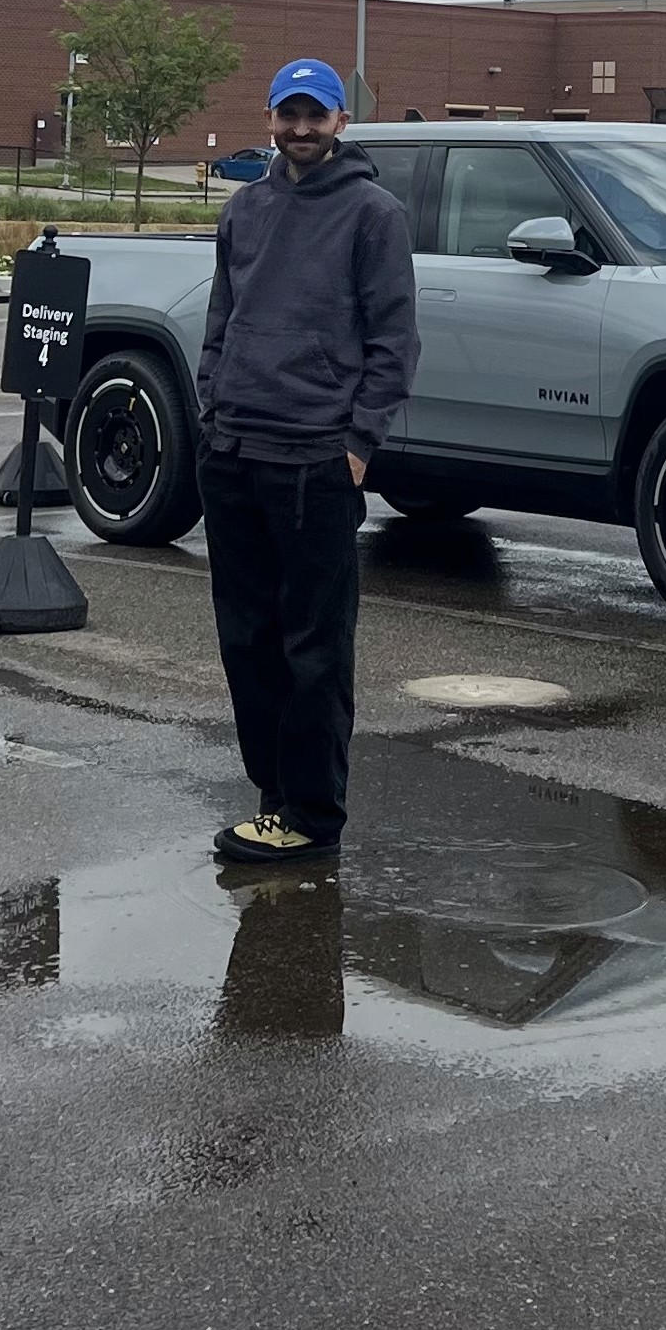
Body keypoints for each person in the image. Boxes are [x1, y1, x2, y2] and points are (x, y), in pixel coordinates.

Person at [196, 57, 419, 864]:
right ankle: (275, 797)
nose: (299, 128)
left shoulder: (372, 214)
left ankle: (313, 815)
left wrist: (357, 445)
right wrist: (212, 408)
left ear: (339, 123)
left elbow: (394, 343)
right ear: (268, 118)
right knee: (247, 642)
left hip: (315, 460)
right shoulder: (246, 209)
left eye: (314, 115)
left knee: (313, 647)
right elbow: (221, 319)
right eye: (287, 114)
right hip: (234, 451)